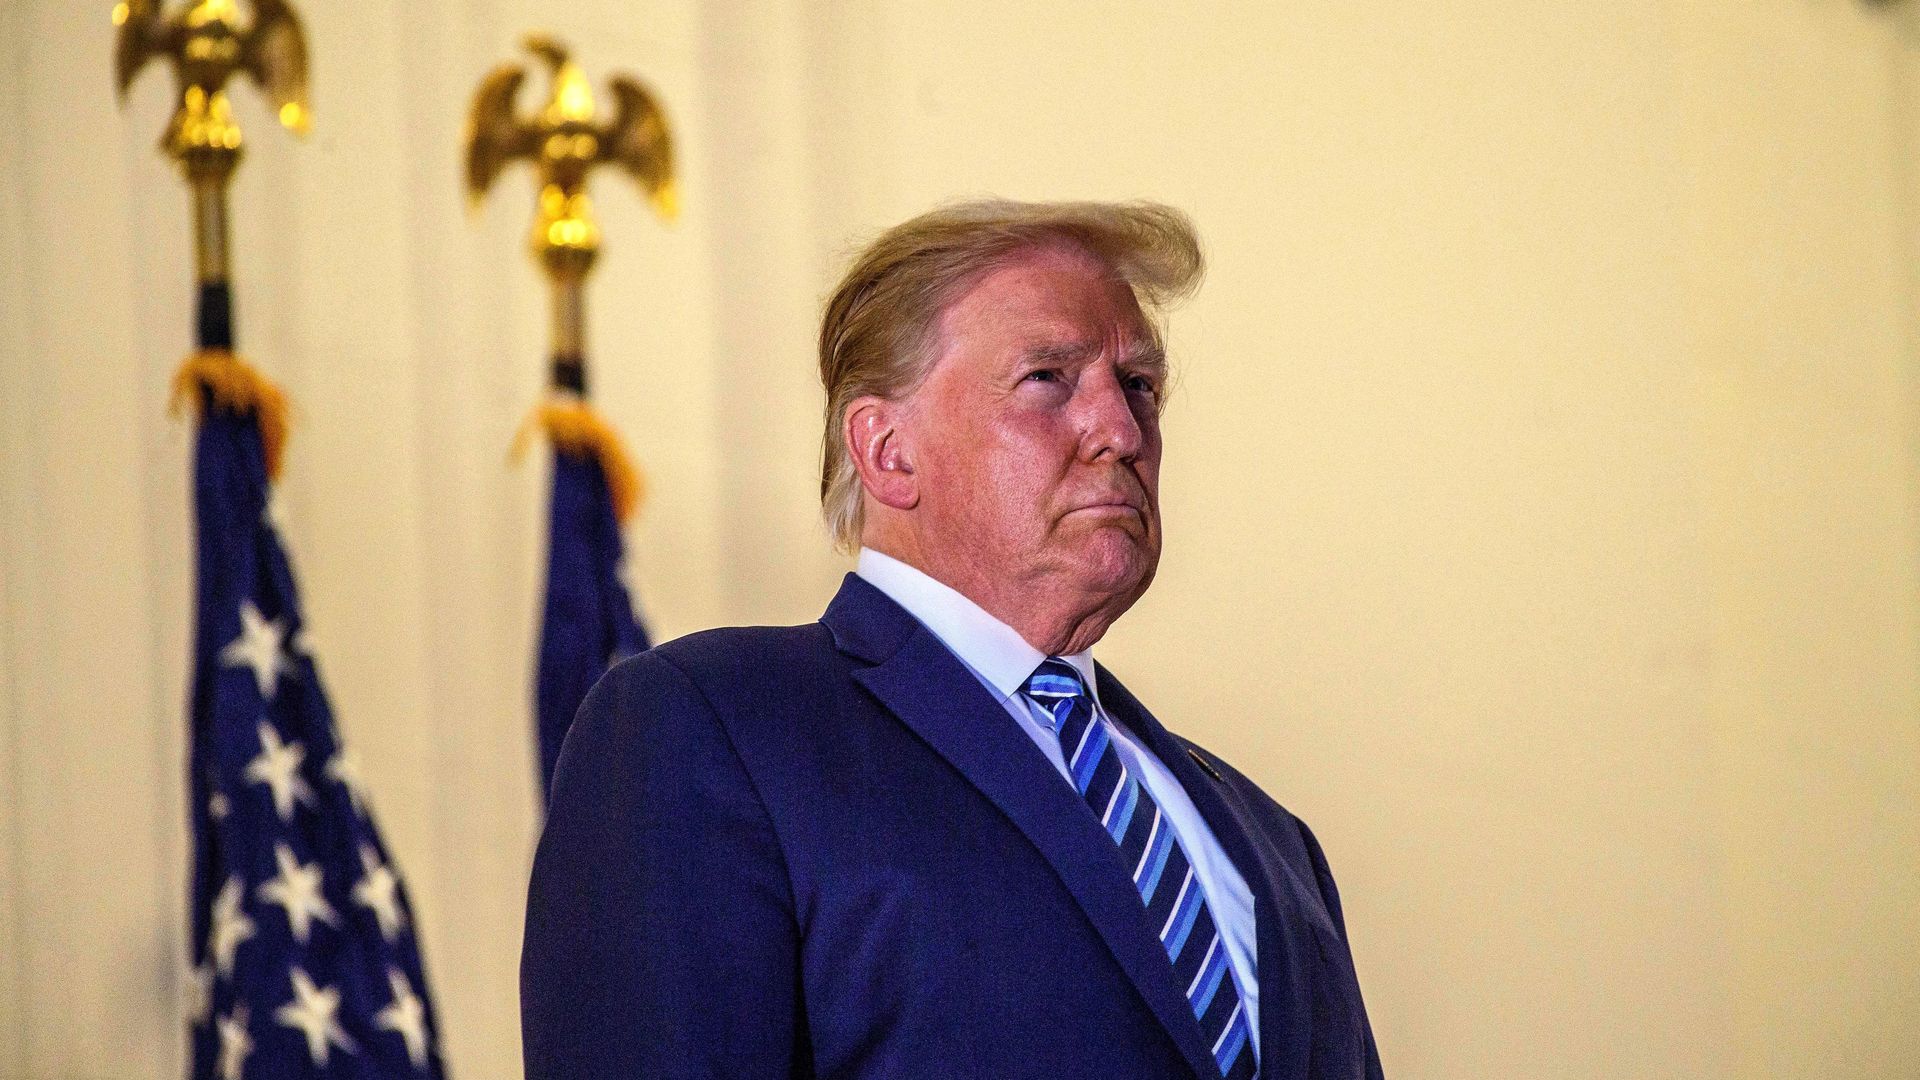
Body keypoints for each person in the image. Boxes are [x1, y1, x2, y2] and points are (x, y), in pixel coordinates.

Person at [521, 199, 1384, 1079]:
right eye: (1049, 377)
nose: (1122, 433)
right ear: (888, 451)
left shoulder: (1274, 842)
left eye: (1139, 386)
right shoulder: (710, 728)